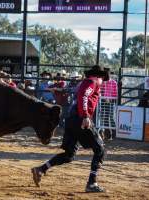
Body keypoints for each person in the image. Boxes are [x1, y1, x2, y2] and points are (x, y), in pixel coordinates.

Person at [31, 65, 109, 193]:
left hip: (72, 120)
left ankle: (41, 169)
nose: (103, 82)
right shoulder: (93, 82)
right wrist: (85, 116)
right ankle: (92, 183)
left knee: (69, 155)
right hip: (80, 119)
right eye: (103, 79)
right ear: (98, 76)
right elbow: (84, 96)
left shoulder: (86, 82)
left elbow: (82, 96)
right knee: (100, 149)